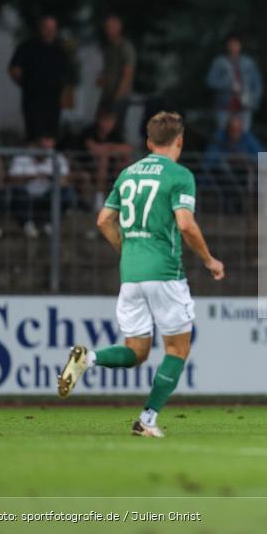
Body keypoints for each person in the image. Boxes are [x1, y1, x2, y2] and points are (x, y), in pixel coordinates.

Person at [57, 112, 225, 438]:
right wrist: (209, 259)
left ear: (148, 142)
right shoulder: (180, 175)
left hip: (131, 275)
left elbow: (104, 219)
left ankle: (87, 359)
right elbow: (186, 224)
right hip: (165, 273)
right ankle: (147, 419)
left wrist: (128, 249)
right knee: (177, 349)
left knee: (136, 352)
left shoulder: (127, 174)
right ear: (180, 141)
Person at [8, 15, 72, 140]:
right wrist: (26, 84)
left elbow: (66, 74)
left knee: (51, 136)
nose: (50, 31)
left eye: (53, 28)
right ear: (40, 28)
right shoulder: (27, 47)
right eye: (47, 28)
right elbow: (14, 70)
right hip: (33, 101)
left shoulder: (60, 50)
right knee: (35, 135)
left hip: (53, 101)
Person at [8, 135, 76, 237]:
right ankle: (27, 225)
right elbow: (12, 180)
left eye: (49, 148)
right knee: (17, 192)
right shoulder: (21, 158)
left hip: (47, 198)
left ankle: (51, 224)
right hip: (26, 199)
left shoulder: (57, 158)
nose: (46, 151)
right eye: (42, 148)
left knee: (67, 193)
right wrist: (31, 177)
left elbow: (65, 181)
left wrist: (50, 177)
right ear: (35, 146)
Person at [204, 113, 265, 213]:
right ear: (227, 129)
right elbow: (209, 160)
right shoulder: (219, 137)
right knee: (224, 173)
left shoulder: (247, 138)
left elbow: (264, 158)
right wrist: (226, 158)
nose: (235, 134)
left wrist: (246, 158)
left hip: (245, 178)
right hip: (222, 180)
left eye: (238, 130)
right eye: (232, 130)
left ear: (241, 130)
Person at [206, 33, 263, 131]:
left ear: (240, 45)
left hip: (244, 105)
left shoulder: (248, 62)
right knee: (223, 134)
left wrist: (253, 100)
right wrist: (228, 85)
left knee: (244, 134)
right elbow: (211, 81)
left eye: (235, 44)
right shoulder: (219, 62)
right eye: (231, 44)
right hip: (224, 106)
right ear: (227, 46)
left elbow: (257, 84)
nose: (233, 47)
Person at [82, 109, 133, 211]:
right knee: (103, 159)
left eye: (110, 121)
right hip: (89, 166)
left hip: (112, 168)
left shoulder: (116, 133)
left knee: (125, 161)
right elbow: (95, 149)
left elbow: (128, 149)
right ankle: (99, 196)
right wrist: (112, 149)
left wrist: (110, 147)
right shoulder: (89, 131)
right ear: (99, 121)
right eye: (105, 120)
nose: (107, 124)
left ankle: (125, 197)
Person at [97, 14, 136, 124]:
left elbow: (128, 74)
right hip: (107, 96)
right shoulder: (109, 48)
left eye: (109, 27)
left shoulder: (125, 47)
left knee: (114, 128)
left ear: (118, 28)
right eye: (106, 27)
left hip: (119, 98)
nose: (107, 30)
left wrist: (117, 97)